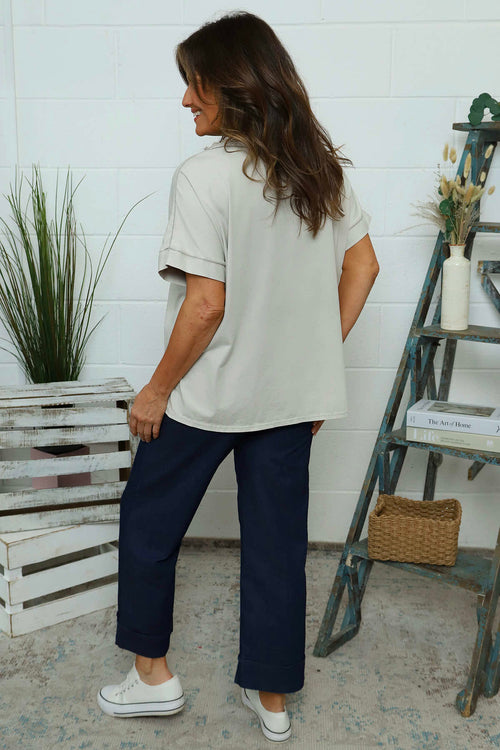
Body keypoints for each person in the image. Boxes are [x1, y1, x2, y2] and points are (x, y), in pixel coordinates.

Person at [97, 10, 379, 743]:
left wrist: (155, 391)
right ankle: (272, 698)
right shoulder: (319, 171)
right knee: (278, 546)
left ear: (232, 86)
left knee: (147, 522)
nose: (186, 99)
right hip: (289, 399)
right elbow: (364, 266)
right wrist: (314, 356)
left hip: (206, 396)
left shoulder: (203, 177)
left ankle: (152, 680)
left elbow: (206, 304)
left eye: (195, 85)